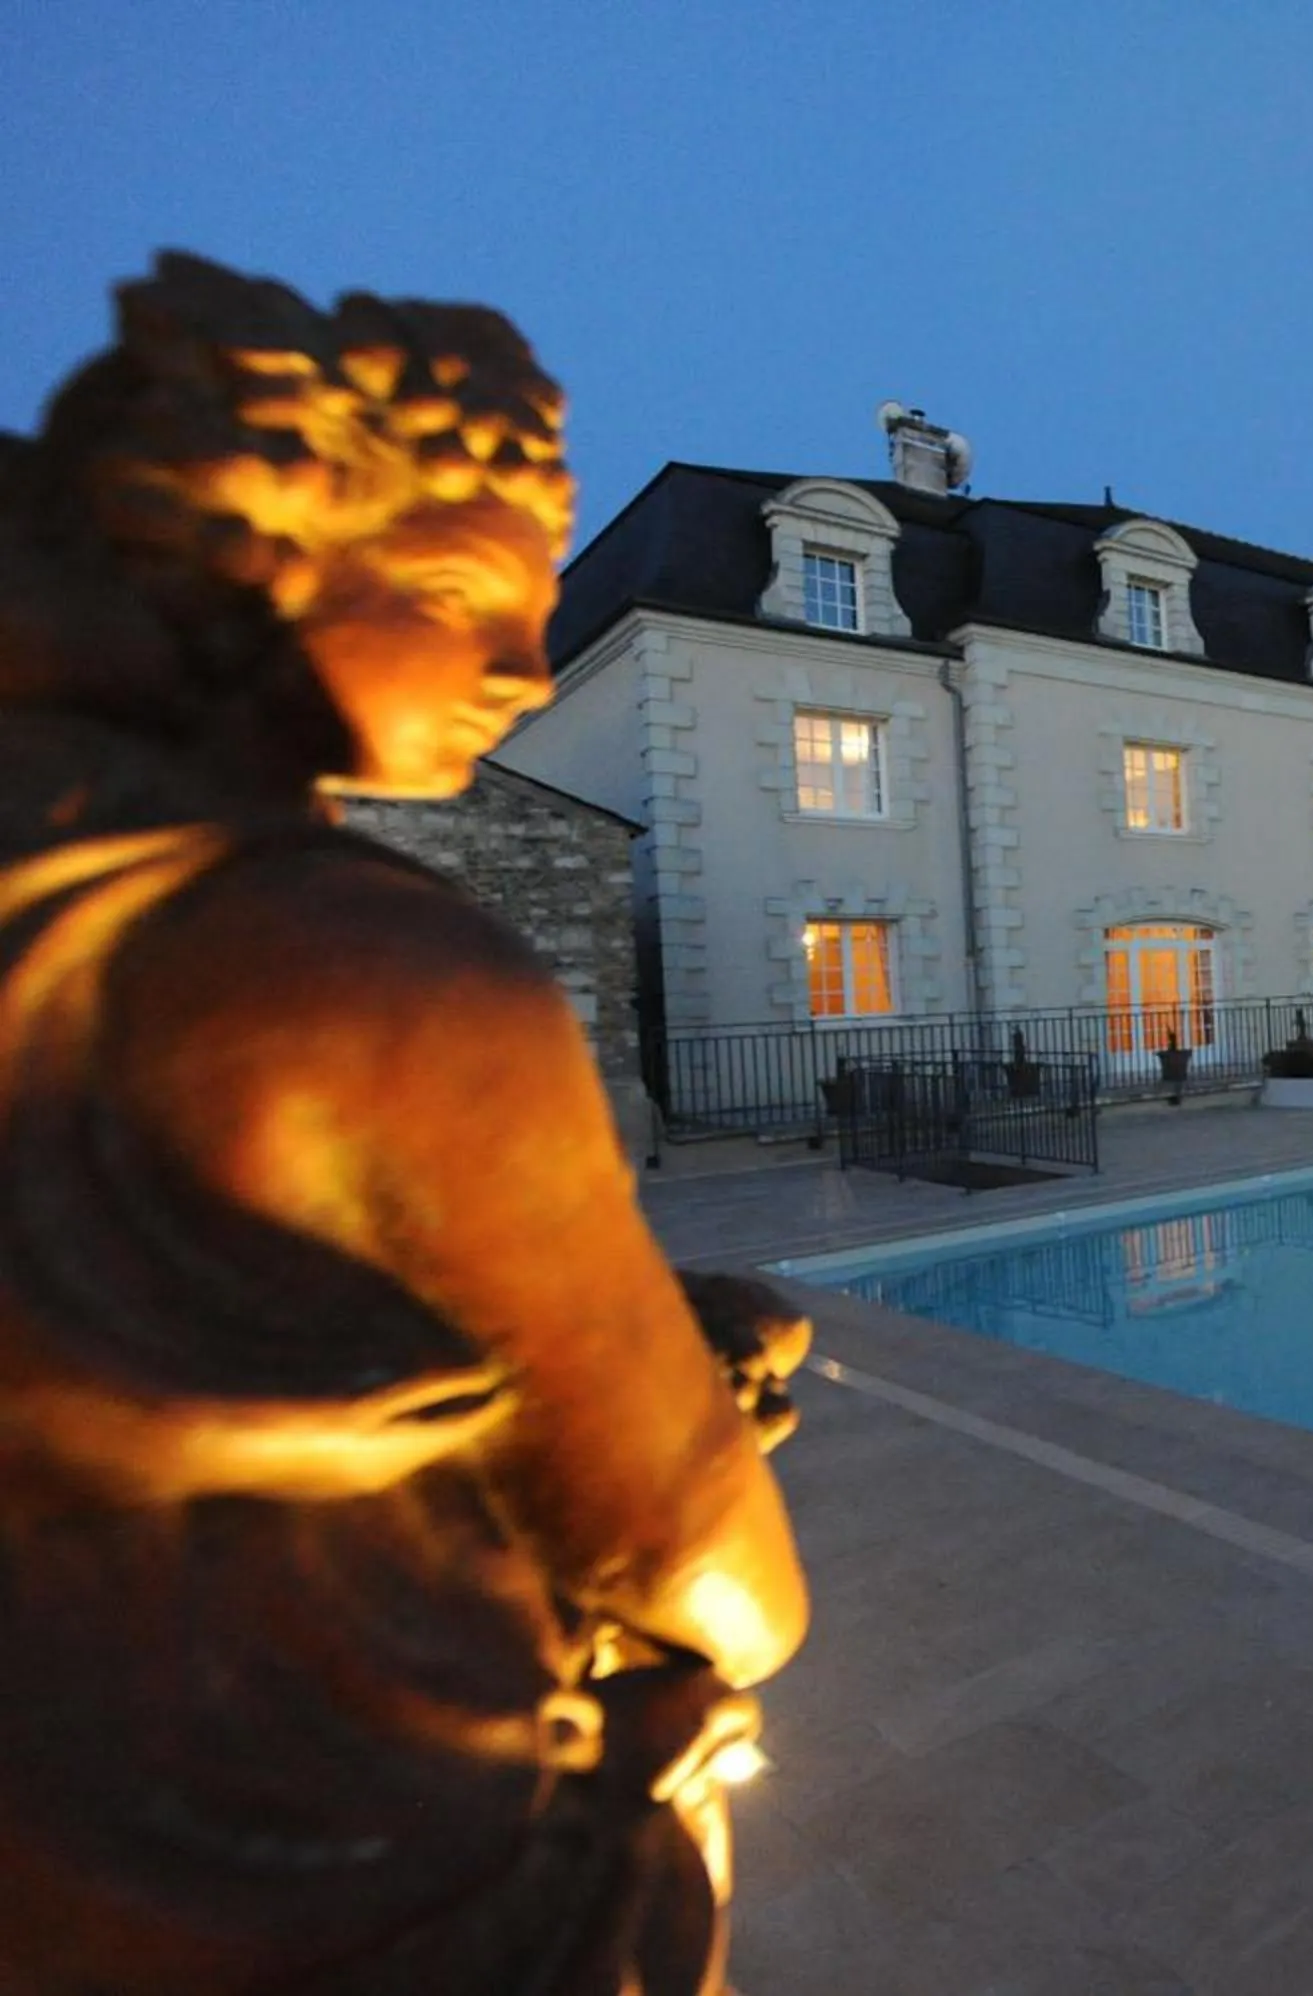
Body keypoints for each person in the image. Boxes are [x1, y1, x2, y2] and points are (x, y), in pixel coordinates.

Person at [0, 254, 807, 1995]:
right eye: (458, 587)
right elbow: (718, 1576)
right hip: (360, 1881)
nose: (525, 667)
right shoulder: (375, 971)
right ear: (252, 555)